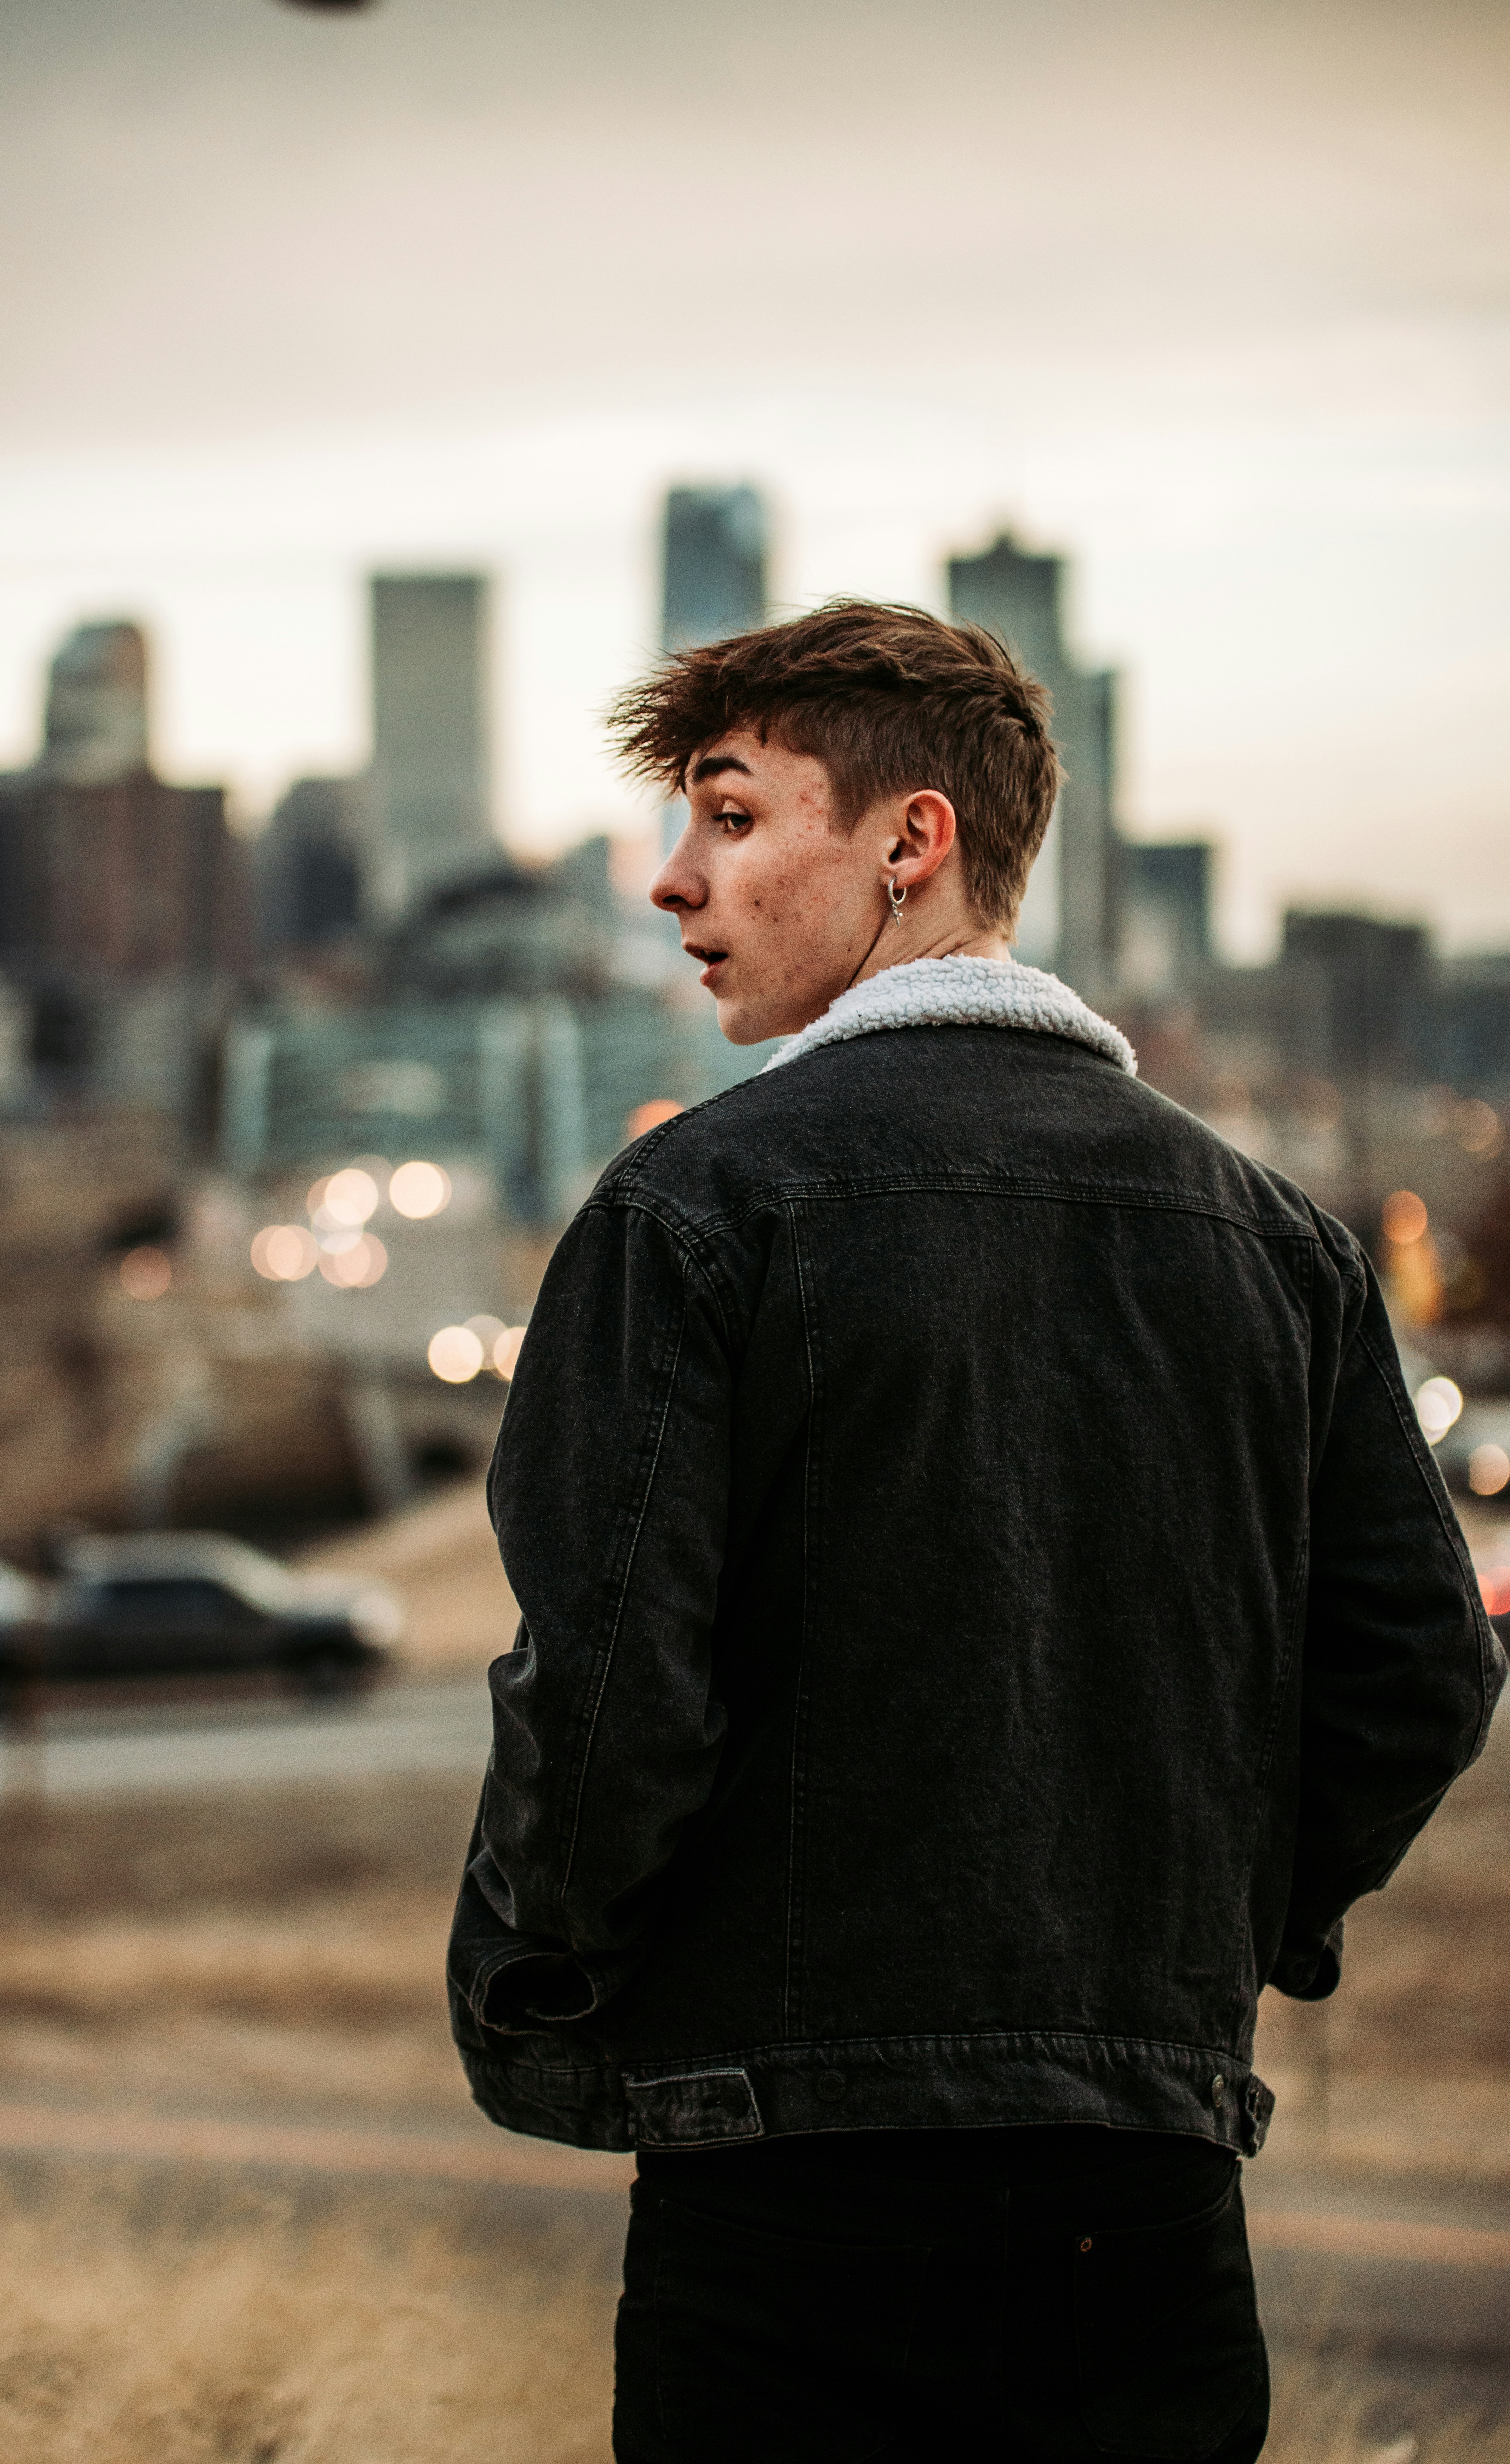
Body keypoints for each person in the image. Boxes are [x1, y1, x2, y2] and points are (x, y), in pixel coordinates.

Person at [448, 602, 1502, 2462]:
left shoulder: (701, 1206)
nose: (673, 886)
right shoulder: (1277, 1242)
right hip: (1152, 2205)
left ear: (911, 843)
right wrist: (1211, 1940)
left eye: (732, 818)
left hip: (793, 2204)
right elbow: (1421, 1671)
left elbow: (608, 1691)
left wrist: (548, 1969)